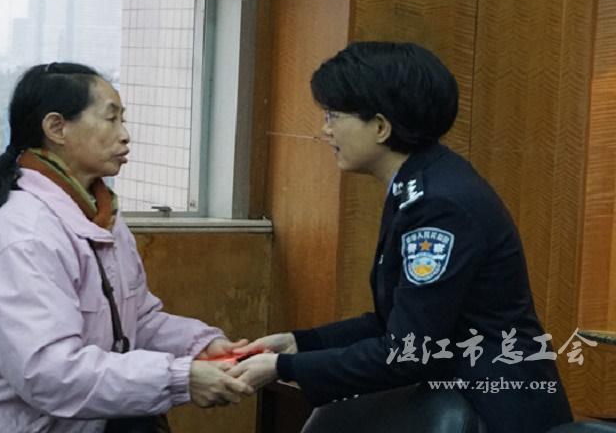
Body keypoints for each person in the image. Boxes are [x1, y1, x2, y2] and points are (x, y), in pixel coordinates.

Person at [229, 42, 573, 433]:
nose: (325, 130)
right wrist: (298, 343)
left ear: (380, 127)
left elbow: (408, 352)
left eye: (333, 116)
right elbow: (394, 324)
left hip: (494, 411)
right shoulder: (420, 186)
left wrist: (285, 367)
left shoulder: (439, 204)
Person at [0, 62, 252, 433]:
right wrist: (179, 377)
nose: (125, 135)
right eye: (111, 119)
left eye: (123, 120)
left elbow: (135, 321)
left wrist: (198, 346)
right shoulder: (19, 235)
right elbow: (49, 374)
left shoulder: (100, 217)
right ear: (57, 128)